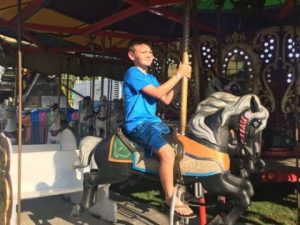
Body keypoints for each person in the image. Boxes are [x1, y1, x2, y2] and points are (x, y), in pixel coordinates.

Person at [123, 39, 195, 218]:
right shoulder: (133, 73)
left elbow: (167, 99)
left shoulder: (151, 77)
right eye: (143, 52)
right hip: (138, 123)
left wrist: (182, 80)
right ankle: (170, 196)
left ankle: (182, 185)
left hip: (155, 122)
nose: (149, 55)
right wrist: (177, 75)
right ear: (132, 56)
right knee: (167, 153)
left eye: (150, 52)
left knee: (182, 146)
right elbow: (156, 93)